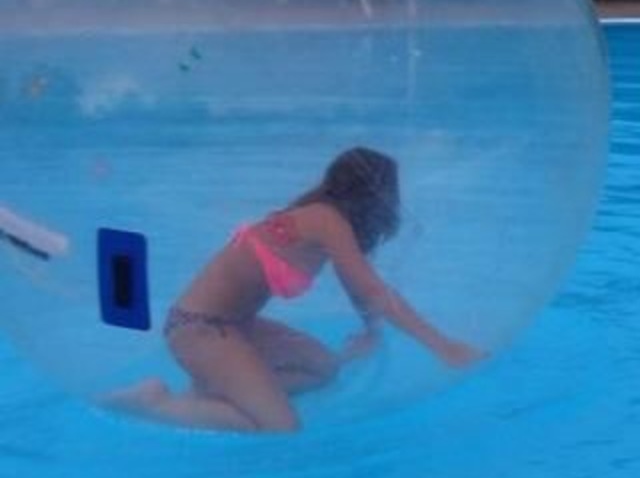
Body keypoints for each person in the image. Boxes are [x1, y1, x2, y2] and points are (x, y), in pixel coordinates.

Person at [105, 147, 482, 432]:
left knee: (324, 368)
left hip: (234, 326)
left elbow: (357, 287)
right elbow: (372, 290)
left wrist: (370, 330)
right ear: (371, 194)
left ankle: (222, 389)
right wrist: (443, 346)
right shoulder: (325, 219)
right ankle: (158, 403)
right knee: (281, 427)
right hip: (200, 330)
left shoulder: (321, 219)